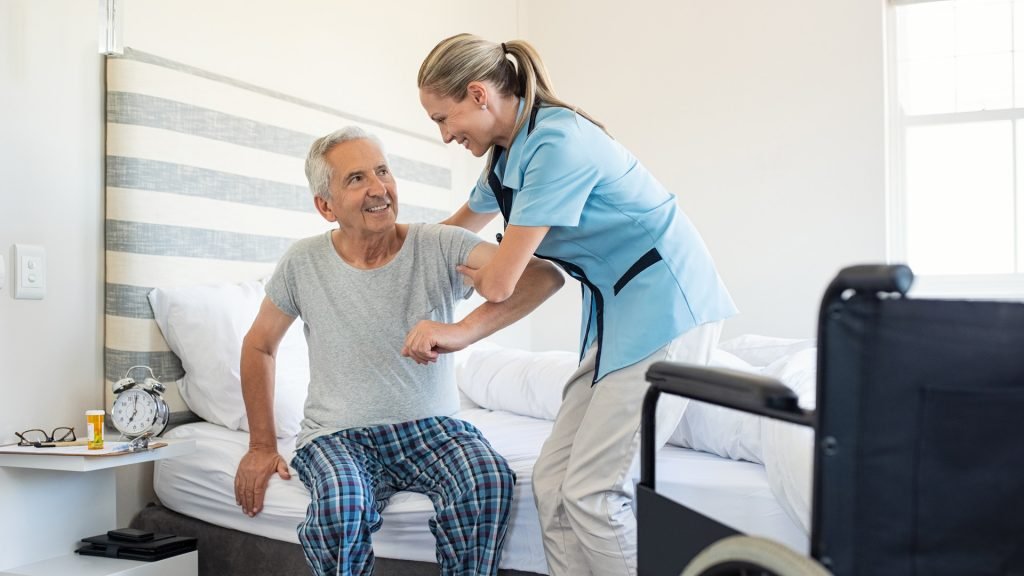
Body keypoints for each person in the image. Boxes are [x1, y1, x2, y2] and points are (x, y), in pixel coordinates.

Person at [417, 34, 737, 576]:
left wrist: (471, 289)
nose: (446, 135)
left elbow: (500, 282)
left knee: (593, 493)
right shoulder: (504, 157)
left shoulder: (556, 144)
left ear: (478, 95)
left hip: (667, 307)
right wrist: (382, 245)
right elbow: (451, 234)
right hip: (617, 317)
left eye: (443, 120)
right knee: (551, 484)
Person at [233, 126, 564, 576]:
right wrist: (260, 445)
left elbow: (542, 278)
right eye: (356, 179)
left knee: (486, 480)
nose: (379, 188)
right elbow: (259, 346)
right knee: (342, 504)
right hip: (337, 436)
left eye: (383, 171)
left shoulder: (440, 244)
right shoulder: (302, 262)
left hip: (434, 429)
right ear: (325, 206)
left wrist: (462, 331)